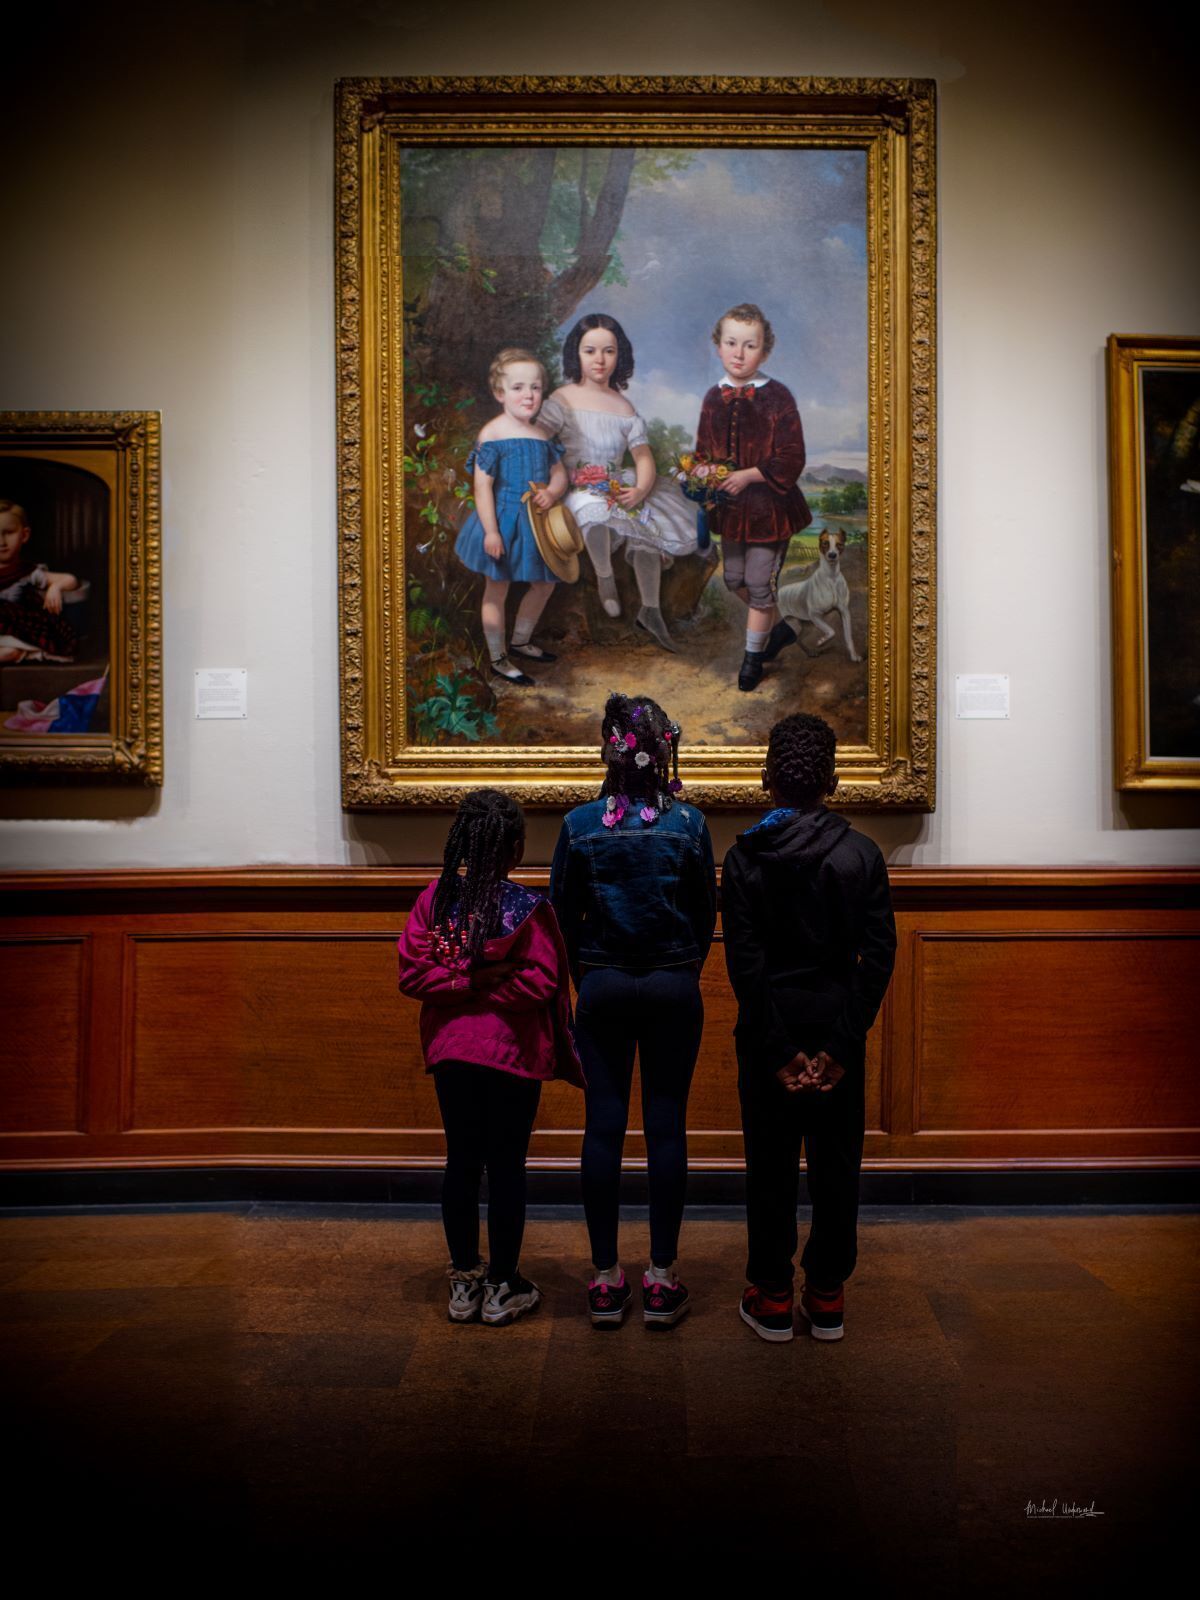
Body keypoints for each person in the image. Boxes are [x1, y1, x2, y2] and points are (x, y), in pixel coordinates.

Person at [722, 713, 896, 1343]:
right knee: (836, 1167)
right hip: (836, 1028)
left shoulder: (746, 858)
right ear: (834, 779)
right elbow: (878, 957)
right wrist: (843, 1046)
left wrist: (778, 1050)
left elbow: (745, 964)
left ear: (768, 779)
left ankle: (770, 1295)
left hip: (770, 1033)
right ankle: (825, 1294)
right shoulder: (862, 854)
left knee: (767, 1166)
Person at [550, 693, 716, 1328]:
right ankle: (661, 1280)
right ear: (664, 747)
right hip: (674, 985)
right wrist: (682, 966)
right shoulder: (690, 825)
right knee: (667, 1127)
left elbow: (562, 919)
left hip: (604, 987)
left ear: (608, 748)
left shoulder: (579, 825)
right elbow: (706, 916)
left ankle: (603, 1281)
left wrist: (583, 979)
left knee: (603, 1128)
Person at [396, 789, 583, 1326]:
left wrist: (459, 984)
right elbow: (543, 982)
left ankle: (463, 1283)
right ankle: (503, 1285)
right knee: (506, 1167)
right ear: (517, 848)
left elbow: (414, 972)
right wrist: (485, 981)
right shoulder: (530, 910)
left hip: (451, 1050)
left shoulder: (434, 901)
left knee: (461, 1160)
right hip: (511, 1055)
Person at [539, 314, 697, 653]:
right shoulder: (562, 398)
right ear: (576, 355)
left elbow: (642, 457)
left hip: (615, 481)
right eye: (590, 350)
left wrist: (640, 489)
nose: (599, 359)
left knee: (648, 527)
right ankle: (605, 578)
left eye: (608, 351)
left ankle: (650, 610)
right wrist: (558, 473)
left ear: (619, 356)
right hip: (576, 484)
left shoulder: (624, 406)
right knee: (594, 510)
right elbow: (541, 440)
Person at [692, 303, 812, 691]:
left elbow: (792, 456)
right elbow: (702, 452)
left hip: (769, 508)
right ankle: (777, 631)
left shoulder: (778, 397)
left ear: (765, 350)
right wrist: (703, 469)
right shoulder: (714, 397)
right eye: (731, 343)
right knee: (733, 580)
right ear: (718, 346)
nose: (739, 353)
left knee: (759, 585)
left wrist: (748, 475)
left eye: (750, 345)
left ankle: (752, 662)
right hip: (731, 510)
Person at [453, 348, 570, 686]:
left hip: (536, 522)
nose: (528, 395)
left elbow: (560, 474)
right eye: (518, 388)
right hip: (502, 521)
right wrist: (491, 532)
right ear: (500, 393)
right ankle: (498, 656)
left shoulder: (544, 434)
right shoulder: (493, 434)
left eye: (535, 387)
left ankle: (520, 640)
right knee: (497, 586)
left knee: (545, 583)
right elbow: (482, 487)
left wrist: (553, 491)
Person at [0, 499, 88, 662]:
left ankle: (27, 653)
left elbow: (71, 580)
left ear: (24, 535)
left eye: (9, 532)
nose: (2, 542)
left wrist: (55, 587)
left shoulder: (28, 571)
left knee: (8, 652)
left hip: (16, 633)